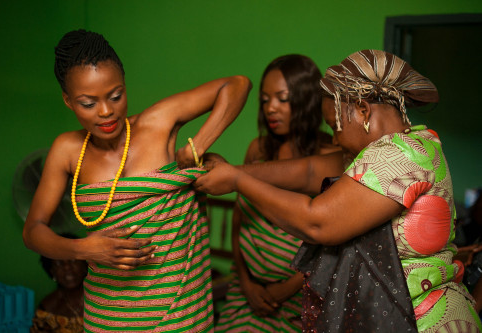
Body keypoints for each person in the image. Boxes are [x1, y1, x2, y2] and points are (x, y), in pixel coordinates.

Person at [195, 50, 482, 332]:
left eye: (335, 126)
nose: (334, 137)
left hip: (424, 321)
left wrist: (236, 181)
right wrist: (233, 170)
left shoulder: (402, 155)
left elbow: (318, 221)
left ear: (362, 110)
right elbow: (307, 171)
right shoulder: (383, 150)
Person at [22, 29, 251, 332]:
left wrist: (197, 146)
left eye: (116, 96)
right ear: (68, 101)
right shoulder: (67, 150)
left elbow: (236, 85)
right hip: (107, 317)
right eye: (88, 103)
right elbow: (33, 231)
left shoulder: (157, 123)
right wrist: (85, 250)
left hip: (180, 316)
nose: (106, 112)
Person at [215, 54, 340, 332]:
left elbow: (331, 246)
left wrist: (286, 290)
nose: (271, 108)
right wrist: (246, 284)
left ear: (306, 100)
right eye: (265, 99)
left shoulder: (332, 156)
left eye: (282, 99)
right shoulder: (257, 150)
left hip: (300, 297)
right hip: (245, 289)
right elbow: (239, 221)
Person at [31, 234, 88, 333]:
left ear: (85, 264)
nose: (67, 267)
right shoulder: (48, 309)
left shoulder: (104, 299)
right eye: (59, 263)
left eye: (73, 260)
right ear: (51, 271)